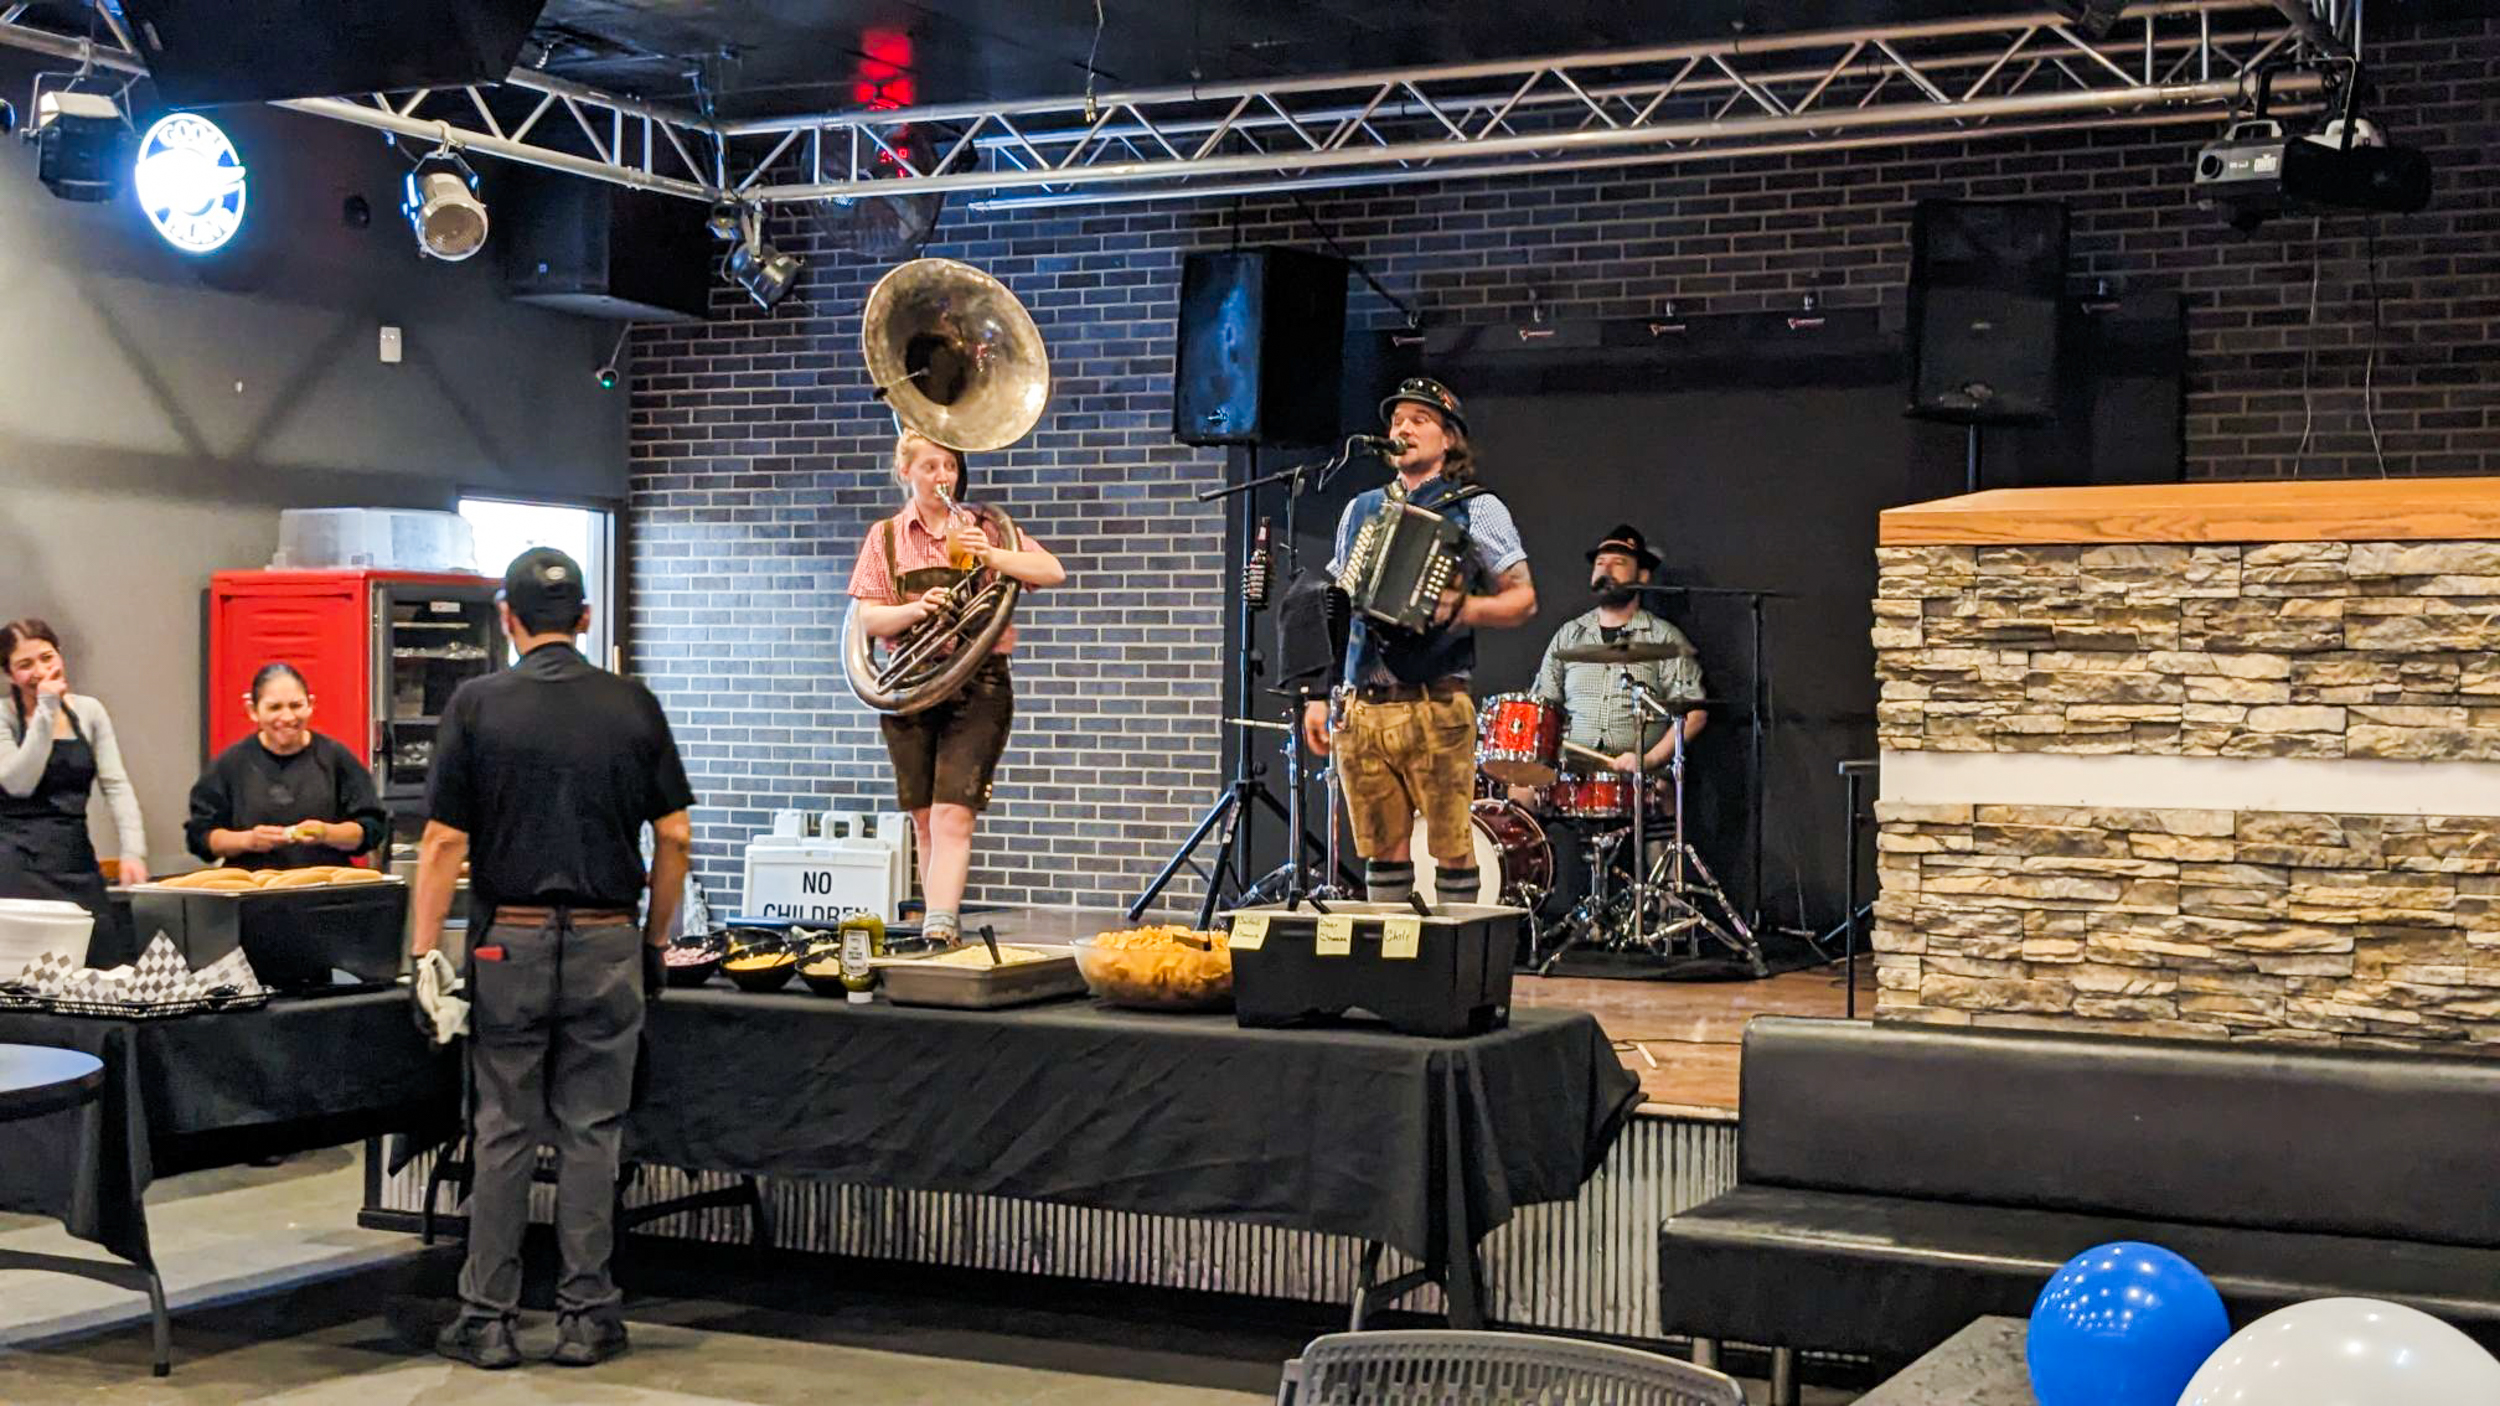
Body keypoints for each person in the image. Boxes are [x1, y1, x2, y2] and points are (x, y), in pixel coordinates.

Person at [409, 548, 695, 1371]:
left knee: (500, 1129)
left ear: (507, 620)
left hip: (510, 940)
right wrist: (653, 939)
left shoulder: (476, 704)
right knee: (591, 1131)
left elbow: (441, 844)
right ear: (585, 619)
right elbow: (674, 836)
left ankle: (488, 1320)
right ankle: (586, 1315)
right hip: (609, 937)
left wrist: (425, 954)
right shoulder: (633, 704)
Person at [1301, 378, 1536, 905]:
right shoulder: (1359, 509)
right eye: (1397, 420)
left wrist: (1465, 608)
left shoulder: (1477, 508)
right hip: (1363, 707)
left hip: (1435, 704)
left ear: (1449, 438)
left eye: (1419, 420)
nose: (1402, 428)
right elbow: (1337, 605)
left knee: (1451, 846)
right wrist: (1320, 694)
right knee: (1381, 849)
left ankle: (1453, 972)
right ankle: (1392, 977)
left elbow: (1522, 598)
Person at [847, 429, 1065, 947]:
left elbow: (1051, 571)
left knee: (952, 813)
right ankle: (937, 924)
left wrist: (989, 555)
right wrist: (917, 609)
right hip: (911, 685)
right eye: (930, 467)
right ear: (906, 472)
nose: (943, 477)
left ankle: (941, 922)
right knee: (924, 816)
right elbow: (870, 620)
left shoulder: (984, 525)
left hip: (979, 686)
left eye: (949, 466)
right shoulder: (885, 537)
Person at [1, 619, 147, 948]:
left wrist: (133, 851)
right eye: (25, 665)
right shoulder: (3, 717)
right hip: (18, 865)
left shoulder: (89, 711)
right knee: (30, 974)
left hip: (74, 857)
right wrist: (45, 711)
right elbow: (20, 782)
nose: (40, 670)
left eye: (47, 657)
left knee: (105, 958)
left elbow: (116, 785)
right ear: (10, 674)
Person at [1527, 524, 1707, 778]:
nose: (1606, 569)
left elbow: (1694, 714)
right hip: (1570, 774)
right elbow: (1542, 706)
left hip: (1641, 779)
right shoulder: (1569, 635)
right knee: (1518, 791)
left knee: (1661, 799)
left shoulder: (1665, 638)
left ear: (1642, 576)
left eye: (1618, 563)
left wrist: (1649, 760)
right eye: (1600, 563)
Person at [185, 662, 388, 871]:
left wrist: (327, 834)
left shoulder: (336, 758)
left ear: (310, 705)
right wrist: (248, 840)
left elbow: (371, 828)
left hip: (325, 888)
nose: (288, 717)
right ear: (253, 710)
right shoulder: (230, 765)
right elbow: (201, 836)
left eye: (296, 705)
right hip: (253, 891)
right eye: (275, 708)